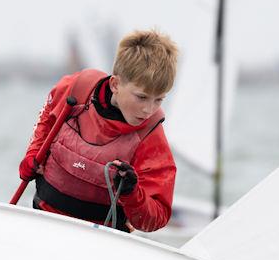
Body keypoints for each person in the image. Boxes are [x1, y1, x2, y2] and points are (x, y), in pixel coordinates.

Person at [18, 29, 178, 232]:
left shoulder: (150, 136)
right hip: (45, 221)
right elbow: (47, 118)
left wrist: (132, 194)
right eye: (142, 97)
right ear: (115, 84)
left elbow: (156, 219)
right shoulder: (76, 88)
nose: (149, 110)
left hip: (102, 244)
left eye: (159, 99)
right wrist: (33, 153)